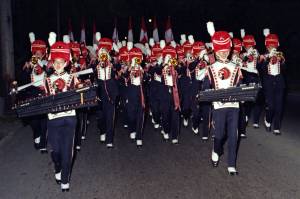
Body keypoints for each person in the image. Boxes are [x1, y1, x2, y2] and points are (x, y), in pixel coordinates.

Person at [204, 22, 243, 175]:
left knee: (234, 135)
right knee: (219, 135)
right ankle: (216, 150)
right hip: (218, 106)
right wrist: (207, 94)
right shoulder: (210, 68)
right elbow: (206, 88)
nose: (223, 53)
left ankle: (231, 164)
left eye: (225, 50)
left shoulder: (236, 67)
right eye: (220, 51)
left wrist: (244, 93)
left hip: (234, 106)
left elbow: (240, 84)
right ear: (215, 50)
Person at [44, 33, 81, 191]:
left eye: (61, 62)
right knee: (56, 151)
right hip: (53, 119)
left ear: (66, 62)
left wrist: (78, 87)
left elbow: (81, 92)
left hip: (69, 119)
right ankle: (57, 167)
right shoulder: (47, 79)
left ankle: (65, 179)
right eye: (56, 62)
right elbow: (45, 98)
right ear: (52, 63)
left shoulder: (73, 77)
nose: (58, 64)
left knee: (67, 152)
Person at [260, 29, 286, 135]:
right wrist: (267, 59)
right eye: (270, 46)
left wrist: (282, 61)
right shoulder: (263, 56)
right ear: (267, 46)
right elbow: (261, 69)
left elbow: (286, 69)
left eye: (274, 45)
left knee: (279, 107)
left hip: (279, 83)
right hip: (268, 83)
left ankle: (277, 127)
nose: (272, 47)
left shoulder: (280, 54)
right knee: (271, 106)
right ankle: (268, 120)